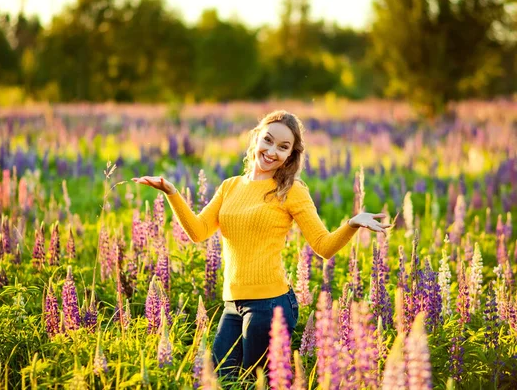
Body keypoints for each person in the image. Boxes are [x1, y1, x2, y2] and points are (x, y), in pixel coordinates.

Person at [132, 110, 391, 379]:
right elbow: (198, 232)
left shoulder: (291, 190)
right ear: (256, 137)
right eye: (268, 140)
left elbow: (323, 246)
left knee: (253, 382)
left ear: (290, 155)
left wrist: (352, 223)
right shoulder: (230, 186)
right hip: (233, 303)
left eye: (283, 147)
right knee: (219, 378)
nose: (272, 151)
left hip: (269, 304)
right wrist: (172, 193)